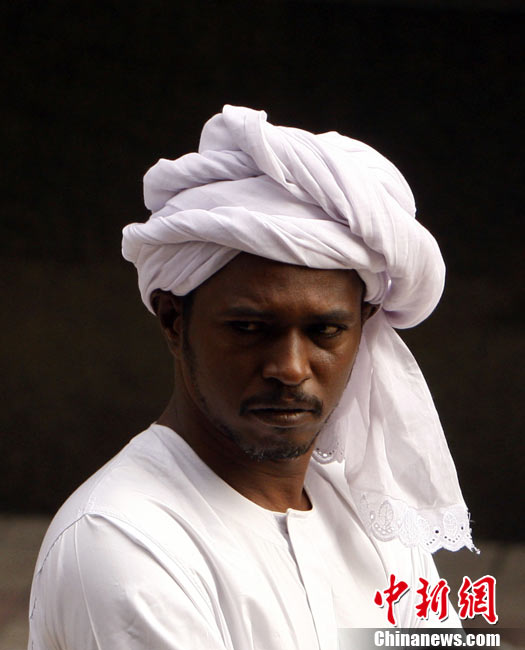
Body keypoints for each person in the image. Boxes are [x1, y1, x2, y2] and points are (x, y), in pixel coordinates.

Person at [28, 106, 474, 650]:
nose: (290, 367)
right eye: (249, 328)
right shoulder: (124, 540)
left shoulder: (372, 516)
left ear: (364, 326)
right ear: (173, 320)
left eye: (325, 331)